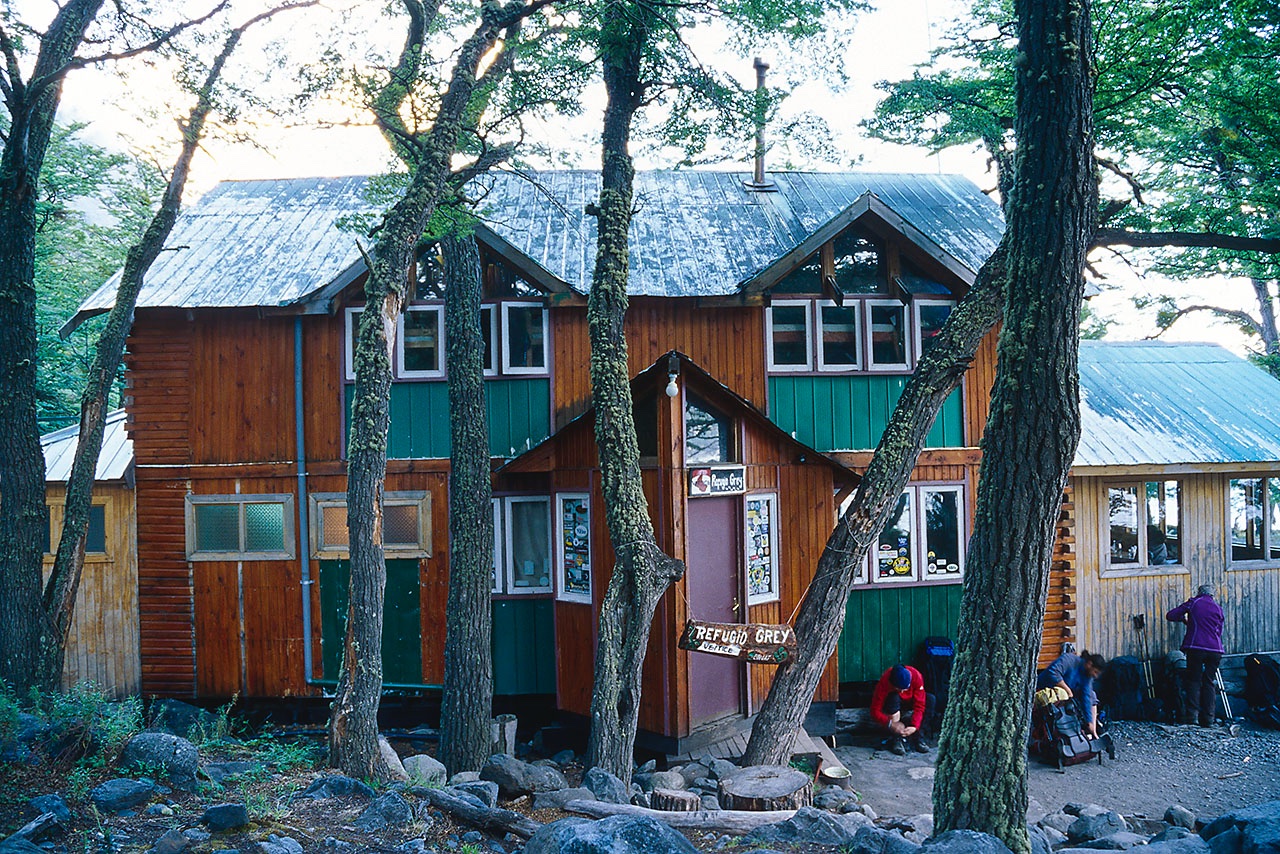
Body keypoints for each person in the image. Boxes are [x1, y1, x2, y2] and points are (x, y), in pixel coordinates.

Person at [1166, 584, 1225, 727]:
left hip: (1196, 647)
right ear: (1212, 595)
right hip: (1215, 649)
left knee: (1194, 681)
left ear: (1199, 592)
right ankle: (1209, 718)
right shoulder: (1218, 608)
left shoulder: (1194, 602)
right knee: (1209, 682)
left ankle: (1192, 717)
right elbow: (1219, 630)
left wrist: (1184, 620)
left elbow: (1171, 615)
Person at [1036, 650, 1106, 737]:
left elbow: (1086, 697)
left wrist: (1089, 721)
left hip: (1066, 697)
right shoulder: (1069, 659)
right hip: (1045, 689)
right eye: (1095, 672)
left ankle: (1092, 728)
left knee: (1092, 695)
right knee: (1063, 693)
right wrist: (1068, 691)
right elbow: (1053, 673)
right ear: (1089, 664)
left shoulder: (1088, 676)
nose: (1095, 676)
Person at [870, 664, 935, 756]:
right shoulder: (885, 680)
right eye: (899, 689)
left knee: (931, 700)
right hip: (894, 704)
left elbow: (920, 705)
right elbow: (874, 710)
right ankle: (896, 739)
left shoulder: (916, 676)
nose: (902, 692)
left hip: (911, 701)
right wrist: (890, 724)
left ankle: (919, 738)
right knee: (893, 697)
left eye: (905, 689)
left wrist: (915, 726)